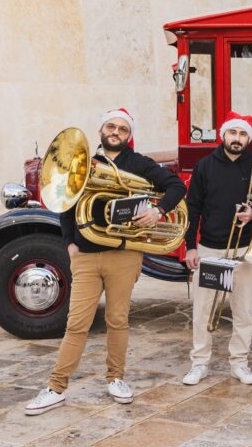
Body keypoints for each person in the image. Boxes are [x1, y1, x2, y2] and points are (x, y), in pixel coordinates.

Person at [24, 108, 187, 415]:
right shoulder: (84, 163)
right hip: (85, 256)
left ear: (129, 135)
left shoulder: (140, 164)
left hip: (123, 254)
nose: (116, 132)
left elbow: (176, 186)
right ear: (101, 130)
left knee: (117, 320)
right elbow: (66, 203)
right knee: (76, 324)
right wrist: (70, 243)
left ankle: (116, 378)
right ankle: (56, 387)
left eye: (122, 129)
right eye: (111, 126)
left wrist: (158, 211)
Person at [182, 112, 252, 387]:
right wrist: (191, 247)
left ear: (248, 139)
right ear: (223, 135)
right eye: (233, 133)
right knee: (203, 311)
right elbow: (192, 208)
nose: (237, 139)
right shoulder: (205, 165)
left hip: (243, 250)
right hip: (210, 250)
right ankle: (199, 363)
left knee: (243, 312)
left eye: (242, 135)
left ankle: (240, 363)